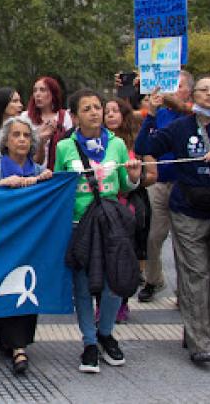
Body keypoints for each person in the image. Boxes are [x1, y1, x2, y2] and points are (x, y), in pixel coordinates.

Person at [136, 76, 210, 363]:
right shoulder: (180, 127)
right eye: (205, 90)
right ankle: (202, 343)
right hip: (186, 209)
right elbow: (145, 146)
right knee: (195, 276)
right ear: (195, 95)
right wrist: (151, 115)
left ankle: (197, 334)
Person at [54, 89, 141, 373]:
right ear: (75, 116)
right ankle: (89, 342)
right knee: (82, 285)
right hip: (80, 225)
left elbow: (125, 186)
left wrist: (134, 176)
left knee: (114, 281)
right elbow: (58, 186)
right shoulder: (65, 147)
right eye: (87, 108)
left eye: (98, 107)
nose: (94, 112)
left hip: (111, 224)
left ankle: (106, 334)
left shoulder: (117, 145)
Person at [0, 116, 51, 375]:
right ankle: (7, 339)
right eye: (16, 135)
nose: (22, 140)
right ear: (5, 142)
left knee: (24, 286)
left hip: (30, 242)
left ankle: (19, 347)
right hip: (2, 241)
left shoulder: (39, 170)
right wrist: (1, 187)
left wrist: (48, 183)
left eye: (26, 135)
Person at [135, 70, 194, 303]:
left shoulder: (191, 115)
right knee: (152, 236)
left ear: (188, 90)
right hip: (159, 181)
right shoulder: (160, 113)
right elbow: (143, 145)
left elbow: (182, 109)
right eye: (170, 85)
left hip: (184, 185)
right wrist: (151, 113)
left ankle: (185, 289)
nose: (171, 90)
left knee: (185, 241)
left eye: (177, 85)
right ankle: (154, 279)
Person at [104, 98, 158, 324]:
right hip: (103, 204)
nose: (110, 115)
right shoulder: (94, 143)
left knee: (127, 254)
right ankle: (103, 303)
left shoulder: (138, 142)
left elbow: (153, 175)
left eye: (115, 111)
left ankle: (122, 302)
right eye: (106, 111)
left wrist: (132, 178)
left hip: (131, 203)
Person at [21, 77, 73, 169]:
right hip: (31, 170)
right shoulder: (25, 117)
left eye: (42, 90)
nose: (37, 94)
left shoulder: (65, 117)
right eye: (35, 90)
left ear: (53, 93)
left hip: (58, 170)